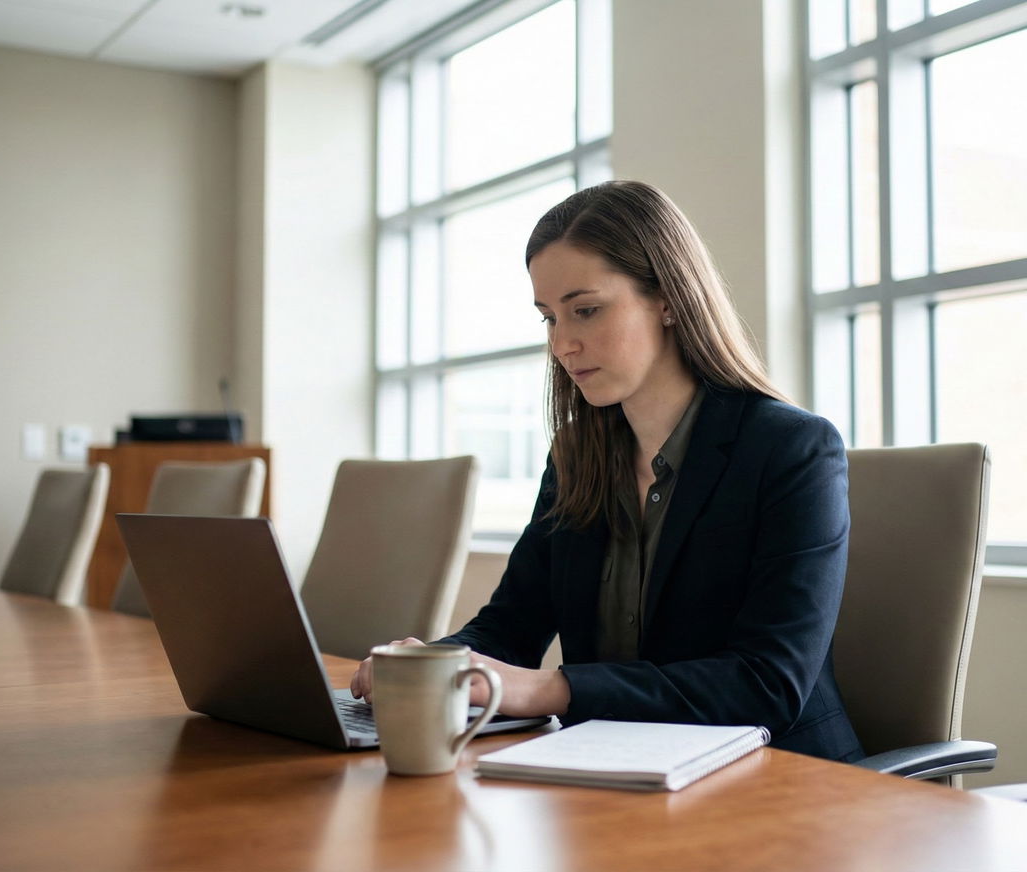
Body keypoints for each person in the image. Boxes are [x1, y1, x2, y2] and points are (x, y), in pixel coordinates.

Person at [350, 180, 861, 762]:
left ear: (668, 298)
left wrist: (550, 688)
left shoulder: (791, 449)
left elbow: (767, 684)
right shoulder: (578, 456)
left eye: (585, 310)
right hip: (618, 771)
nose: (562, 345)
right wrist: (429, 666)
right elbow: (509, 627)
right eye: (548, 318)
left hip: (780, 783)